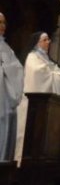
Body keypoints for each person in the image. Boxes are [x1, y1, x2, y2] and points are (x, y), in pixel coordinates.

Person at [16, 31, 60, 162]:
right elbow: (38, 74)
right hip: (33, 104)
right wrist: (55, 75)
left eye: (48, 39)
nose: (48, 42)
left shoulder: (47, 59)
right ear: (37, 43)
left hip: (46, 105)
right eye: (45, 40)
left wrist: (55, 74)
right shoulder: (32, 57)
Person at [0, 12, 24, 161]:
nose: (2, 26)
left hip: (7, 96)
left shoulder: (7, 48)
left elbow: (17, 69)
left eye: (3, 22)